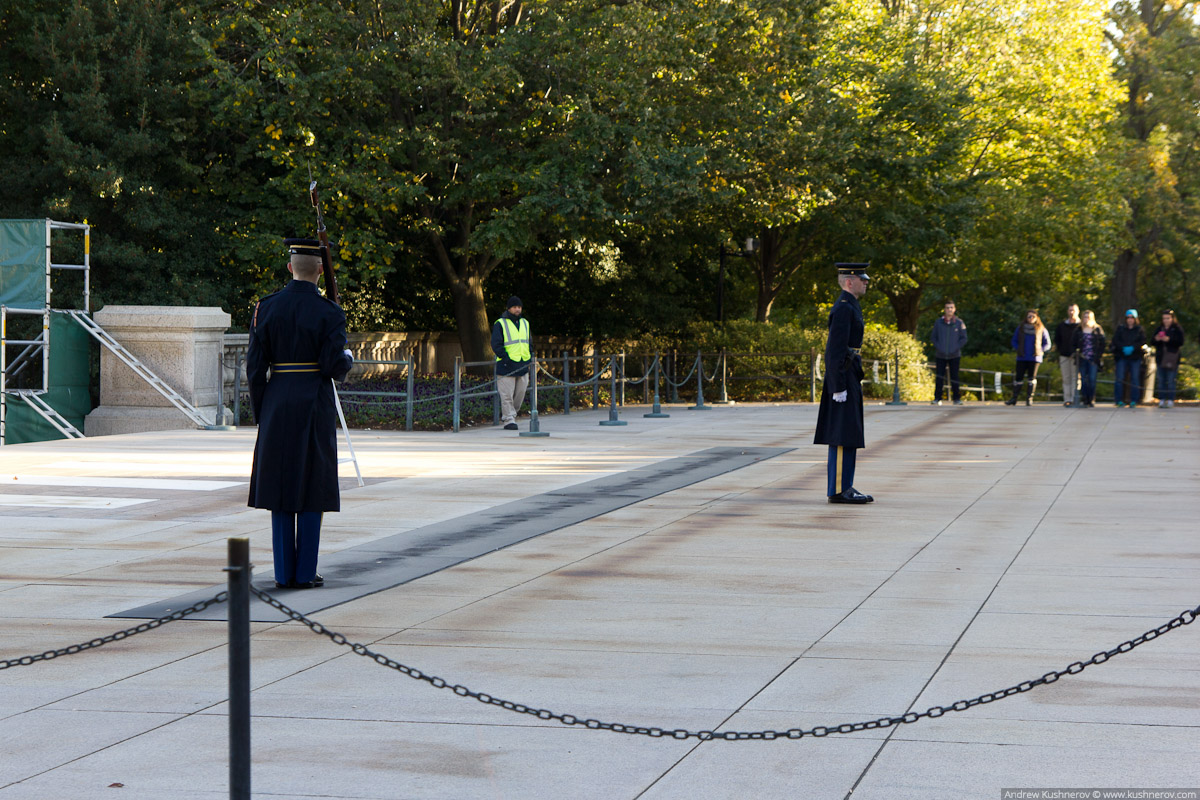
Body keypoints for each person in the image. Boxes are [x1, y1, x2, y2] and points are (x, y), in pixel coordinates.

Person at [247, 238, 354, 590]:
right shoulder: (330, 312)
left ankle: (283, 572)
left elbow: (254, 369)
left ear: (290, 268)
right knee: (313, 484)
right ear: (320, 270)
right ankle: (305, 571)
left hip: (278, 400)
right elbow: (332, 366)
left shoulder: (266, 307)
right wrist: (347, 358)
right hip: (314, 402)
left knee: (280, 485)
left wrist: (264, 412)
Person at [814, 263, 873, 504]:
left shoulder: (851, 306)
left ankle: (846, 484)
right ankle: (837, 489)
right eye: (862, 278)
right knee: (840, 433)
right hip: (842, 374)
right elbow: (834, 351)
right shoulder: (843, 308)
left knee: (849, 431)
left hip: (849, 371)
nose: (866, 282)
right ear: (850, 281)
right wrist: (837, 386)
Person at [491, 295, 531, 431]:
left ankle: (511, 414)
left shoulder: (525, 323)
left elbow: (529, 342)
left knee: (520, 393)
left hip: (523, 364)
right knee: (506, 395)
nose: (517, 309)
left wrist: (529, 356)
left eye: (519, 307)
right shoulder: (500, 323)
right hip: (506, 365)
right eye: (515, 307)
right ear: (509, 308)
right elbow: (496, 344)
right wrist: (505, 358)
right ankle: (509, 419)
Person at [1006, 309, 1051, 406]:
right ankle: (1014, 398)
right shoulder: (1021, 328)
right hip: (1022, 357)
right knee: (1018, 378)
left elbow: (1047, 343)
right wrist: (1018, 349)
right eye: (1029, 316)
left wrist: (1041, 350)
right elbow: (1014, 340)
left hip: (1034, 358)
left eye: (1033, 316)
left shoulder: (1041, 329)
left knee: (1032, 378)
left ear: (1036, 318)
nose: (1031, 318)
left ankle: (1029, 398)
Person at [930, 300, 967, 405]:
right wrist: (939, 347)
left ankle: (956, 398)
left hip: (954, 355)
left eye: (951, 307)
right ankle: (937, 398)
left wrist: (955, 348)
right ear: (944, 309)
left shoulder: (959, 323)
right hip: (940, 354)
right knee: (939, 377)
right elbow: (933, 337)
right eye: (947, 307)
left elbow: (964, 338)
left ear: (954, 309)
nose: (949, 310)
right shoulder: (938, 322)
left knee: (955, 376)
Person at [1110, 309, 1146, 407]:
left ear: (1135, 319)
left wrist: (1133, 348)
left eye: (1132, 318)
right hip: (1122, 356)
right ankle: (1118, 400)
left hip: (1135, 357)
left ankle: (1134, 400)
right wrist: (1122, 348)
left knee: (1135, 379)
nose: (1130, 320)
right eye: (1128, 317)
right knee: (1120, 379)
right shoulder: (1121, 329)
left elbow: (1142, 341)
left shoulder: (1139, 329)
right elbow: (1115, 340)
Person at [1071, 310, 1106, 407]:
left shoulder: (1097, 329)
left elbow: (1103, 344)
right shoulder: (1078, 329)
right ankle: (1085, 398)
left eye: (1088, 317)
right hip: (1082, 358)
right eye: (1085, 317)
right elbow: (1073, 343)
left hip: (1093, 359)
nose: (1086, 319)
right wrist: (1076, 352)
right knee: (1083, 379)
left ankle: (1091, 399)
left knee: (1092, 379)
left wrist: (1098, 356)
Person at [1151, 309, 1185, 408]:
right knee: (1161, 380)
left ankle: (1170, 399)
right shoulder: (1159, 328)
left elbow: (1181, 342)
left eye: (1168, 318)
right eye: (1164, 318)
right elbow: (1152, 341)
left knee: (1170, 380)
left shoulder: (1177, 329)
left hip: (1172, 358)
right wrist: (1156, 339)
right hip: (1160, 358)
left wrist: (1169, 340)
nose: (1166, 320)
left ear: (1172, 318)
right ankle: (1161, 399)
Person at [1055, 304, 1082, 406]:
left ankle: (1075, 397)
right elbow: (1057, 340)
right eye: (1070, 310)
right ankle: (1067, 399)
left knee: (1076, 378)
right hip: (1064, 355)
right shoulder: (1062, 326)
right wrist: (1061, 350)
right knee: (1066, 378)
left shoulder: (1081, 326)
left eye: (1073, 310)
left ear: (1078, 311)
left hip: (1077, 356)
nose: (1072, 312)